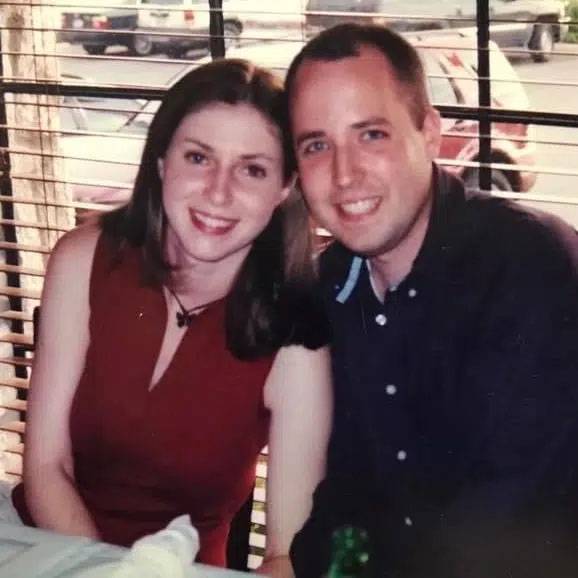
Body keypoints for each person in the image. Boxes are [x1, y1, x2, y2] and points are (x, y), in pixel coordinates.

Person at [9, 59, 332, 578]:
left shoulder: (296, 334)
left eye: (252, 168)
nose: (219, 191)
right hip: (45, 548)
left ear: (285, 188)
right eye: (199, 157)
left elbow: (285, 553)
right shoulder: (82, 258)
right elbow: (48, 467)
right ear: (161, 161)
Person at [284, 23, 578, 578]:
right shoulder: (332, 288)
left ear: (428, 132)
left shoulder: (528, 267)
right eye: (317, 145)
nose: (344, 175)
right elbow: (348, 499)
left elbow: (512, 524)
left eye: (371, 134)